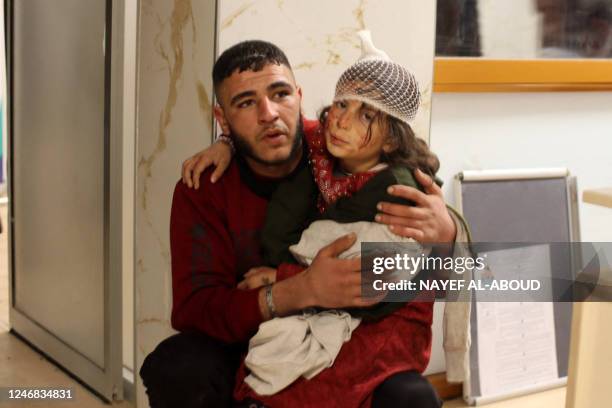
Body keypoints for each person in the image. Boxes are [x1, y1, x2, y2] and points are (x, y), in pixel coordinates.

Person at [140, 38, 468, 408]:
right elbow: (195, 310)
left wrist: (447, 231)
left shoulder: (336, 143)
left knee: (413, 398)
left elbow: (422, 263)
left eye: (280, 94)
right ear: (223, 120)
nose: (269, 114)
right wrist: (298, 290)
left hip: (348, 332)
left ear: (298, 96)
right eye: (246, 103)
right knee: (178, 366)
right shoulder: (204, 188)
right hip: (253, 338)